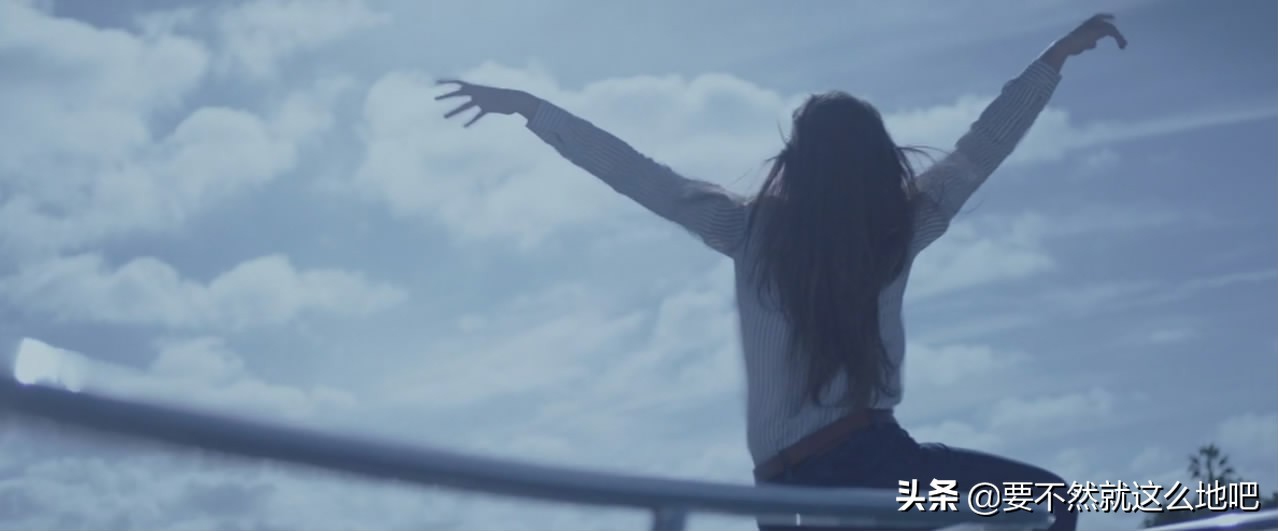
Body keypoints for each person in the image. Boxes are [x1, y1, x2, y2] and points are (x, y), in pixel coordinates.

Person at [436, 14, 1127, 531]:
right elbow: (981, 148)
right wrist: (1053, 59)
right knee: (1052, 500)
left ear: (797, 160)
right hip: (873, 464)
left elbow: (641, 176)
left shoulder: (748, 228)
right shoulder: (895, 229)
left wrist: (532, 109)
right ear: (874, 161)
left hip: (780, 488)